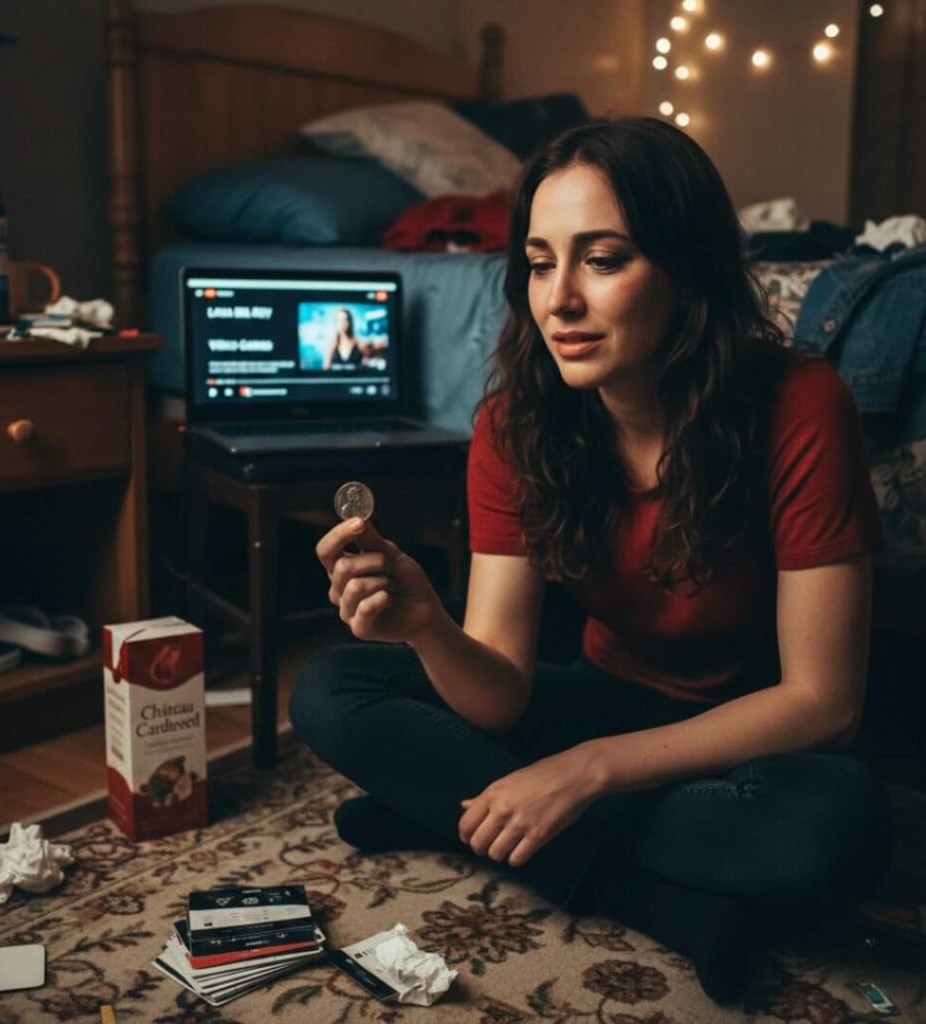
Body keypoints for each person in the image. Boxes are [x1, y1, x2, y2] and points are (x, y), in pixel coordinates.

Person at [290, 118, 892, 1005]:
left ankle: (451, 811)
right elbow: (500, 693)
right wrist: (425, 624)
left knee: (836, 831)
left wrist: (587, 772)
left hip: (747, 737)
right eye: (539, 263)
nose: (558, 300)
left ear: (685, 269)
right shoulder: (514, 424)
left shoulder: (798, 403)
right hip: (598, 696)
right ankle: (655, 898)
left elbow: (824, 703)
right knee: (330, 690)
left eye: (602, 259)